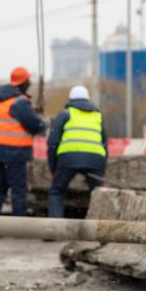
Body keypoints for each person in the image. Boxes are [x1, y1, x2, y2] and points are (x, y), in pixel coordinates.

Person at [0, 66, 48, 216]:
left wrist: (30, 109)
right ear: (23, 83)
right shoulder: (19, 102)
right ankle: (19, 224)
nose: (30, 83)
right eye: (28, 81)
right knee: (19, 189)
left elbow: (10, 118)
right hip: (14, 152)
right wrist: (44, 122)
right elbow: (35, 126)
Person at [46, 84, 108, 218]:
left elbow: (52, 141)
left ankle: (54, 229)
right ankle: (100, 229)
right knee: (99, 194)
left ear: (70, 100)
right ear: (88, 100)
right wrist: (101, 169)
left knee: (57, 191)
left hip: (69, 159)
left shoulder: (65, 114)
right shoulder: (97, 116)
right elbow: (104, 143)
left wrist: (53, 166)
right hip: (95, 160)